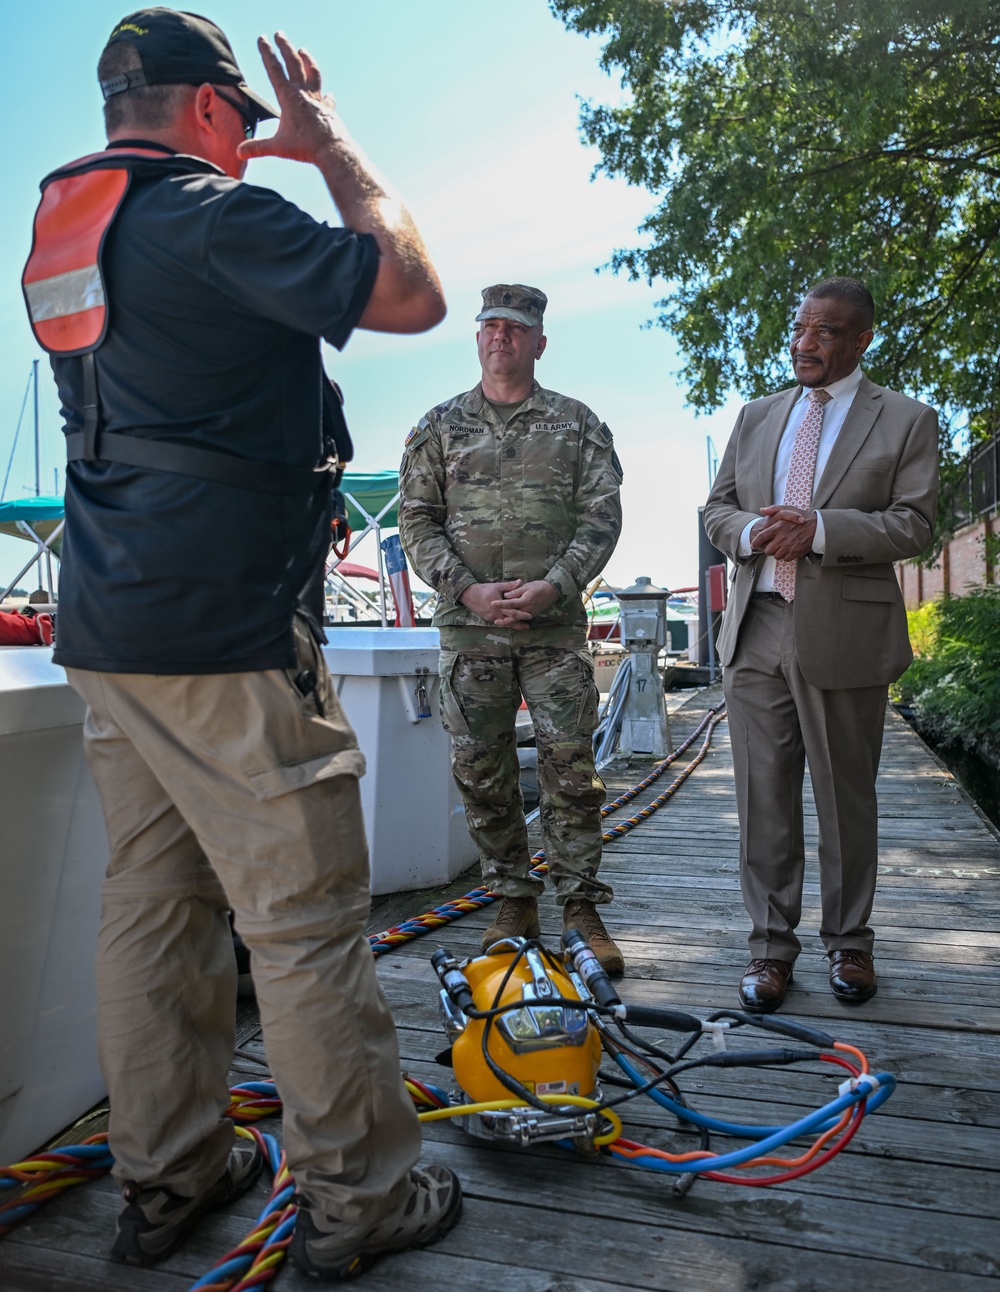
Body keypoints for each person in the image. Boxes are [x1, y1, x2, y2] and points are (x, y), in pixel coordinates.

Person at [23, 9, 461, 1280]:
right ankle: (362, 1199)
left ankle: (168, 1176)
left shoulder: (68, 227)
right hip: (227, 632)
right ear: (212, 108)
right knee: (305, 918)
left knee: (151, 908)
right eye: (249, 123)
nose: (252, 143)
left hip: (111, 631)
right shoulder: (212, 216)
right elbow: (412, 294)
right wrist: (330, 149)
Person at [704, 277, 938, 1012]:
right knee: (761, 798)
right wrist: (747, 533)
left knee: (846, 798)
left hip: (845, 628)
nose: (805, 344)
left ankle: (850, 944)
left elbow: (916, 524)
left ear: (862, 338)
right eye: (800, 328)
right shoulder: (756, 415)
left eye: (825, 332)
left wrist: (823, 528)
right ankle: (770, 950)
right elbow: (717, 509)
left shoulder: (906, 419)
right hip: (757, 624)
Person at [398, 285, 626, 974]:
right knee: (481, 770)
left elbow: (601, 517)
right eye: (490, 326)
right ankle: (512, 897)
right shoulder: (438, 427)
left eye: (516, 328)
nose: (501, 336)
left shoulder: (578, 424)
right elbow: (417, 521)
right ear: (477, 340)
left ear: (539, 342)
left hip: (553, 630)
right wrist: (468, 588)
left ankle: (580, 906)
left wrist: (556, 583)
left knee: (570, 770)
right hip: (470, 634)